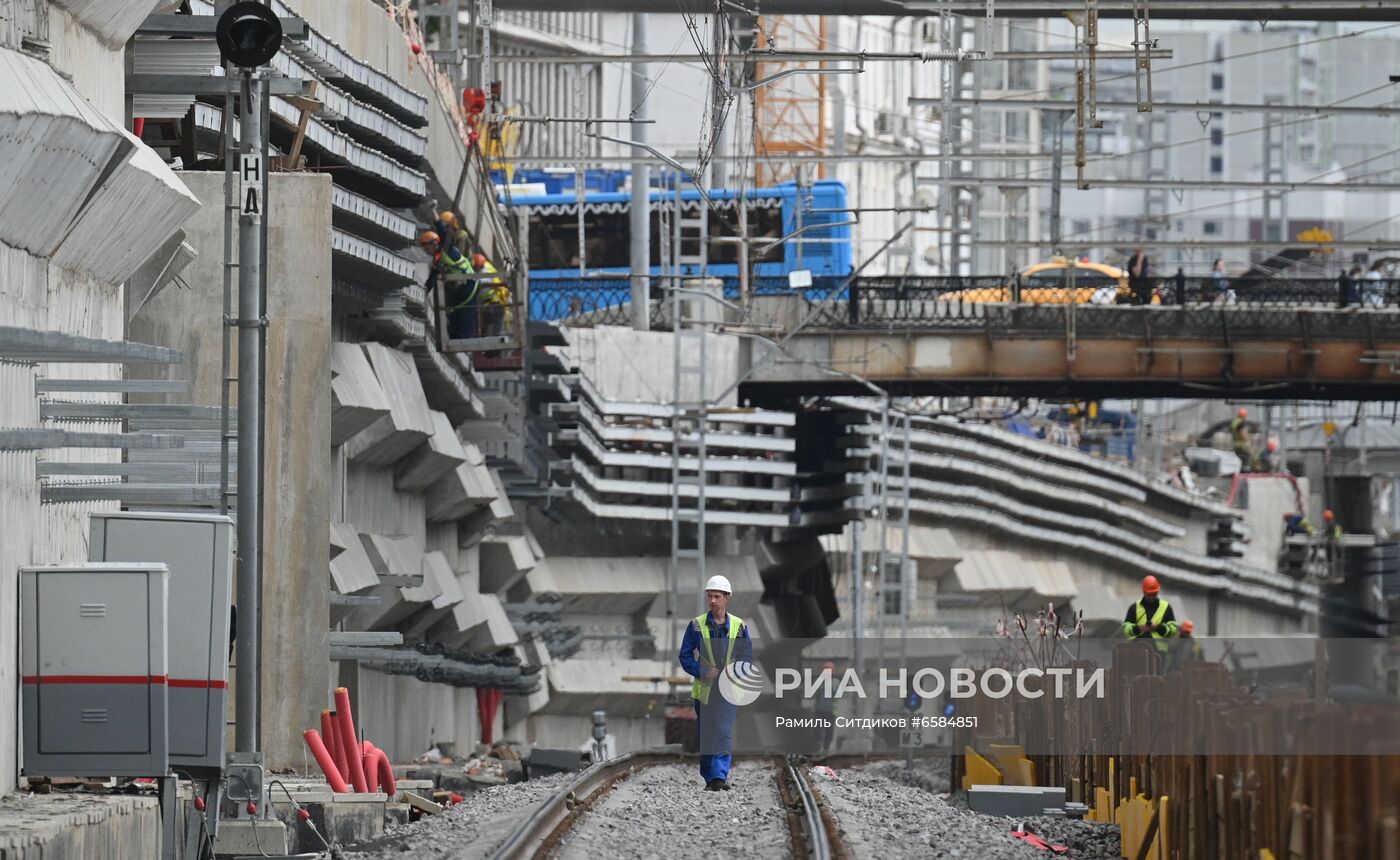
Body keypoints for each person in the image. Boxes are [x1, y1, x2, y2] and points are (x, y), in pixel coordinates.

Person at [678, 575, 752, 792]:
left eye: (717, 596)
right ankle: (709, 777)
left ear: (726, 597)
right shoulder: (696, 625)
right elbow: (685, 656)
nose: (712, 601)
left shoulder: (739, 626)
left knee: (723, 731)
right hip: (705, 690)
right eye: (710, 596)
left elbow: (746, 657)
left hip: (728, 690)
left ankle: (719, 776)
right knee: (708, 733)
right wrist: (701, 671)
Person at [419, 230, 478, 338]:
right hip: (460, 286)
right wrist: (424, 292)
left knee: (466, 311)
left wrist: (438, 223)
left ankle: (464, 336)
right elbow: (432, 279)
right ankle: (455, 336)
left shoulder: (448, 251)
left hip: (468, 282)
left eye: (427, 248)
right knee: (454, 311)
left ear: (434, 244)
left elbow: (446, 237)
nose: (426, 251)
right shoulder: (438, 261)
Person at [1122, 575, 1178, 654]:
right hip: (1136, 650)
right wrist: (1138, 628)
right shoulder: (1134, 607)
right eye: (1149, 594)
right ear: (1144, 592)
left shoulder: (1166, 607)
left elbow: (1173, 629)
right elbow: (1126, 629)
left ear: (1158, 591)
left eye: (1154, 594)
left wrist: (1158, 627)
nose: (1151, 597)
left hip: (1159, 652)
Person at [812, 661, 838, 754]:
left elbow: (837, 693)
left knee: (829, 730)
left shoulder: (835, 683)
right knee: (818, 729)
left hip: (831, 711)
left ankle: (826, 747)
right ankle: (818, 744)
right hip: (819, 710)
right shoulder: (818, 681)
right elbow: (813, 693)